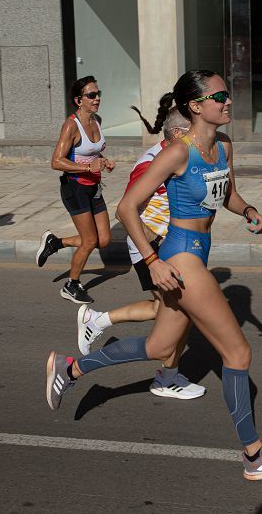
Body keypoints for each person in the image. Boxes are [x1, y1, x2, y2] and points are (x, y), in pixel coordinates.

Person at [45, 70, 262, 481]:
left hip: (199, 252)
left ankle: (71, 368)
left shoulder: (223, 147)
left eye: (227, 94)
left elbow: (228, 194)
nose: (228, 102)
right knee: (237, 354)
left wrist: (249, 211)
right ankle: (255, 456)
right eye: (219, 96)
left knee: (159, 346)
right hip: (181, 257)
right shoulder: (177, 153)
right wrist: (152, 261)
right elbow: (127, 208)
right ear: (196, 106)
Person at [76, 106, 205, 400]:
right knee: (180, 312)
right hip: (151, 249)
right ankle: (166, 377)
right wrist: (155, 248)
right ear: (177, 134)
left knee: (167, 310)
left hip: (168, 244)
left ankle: (97, 320)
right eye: (194, 129)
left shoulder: (179, 155)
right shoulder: (150, 164)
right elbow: (126, 211)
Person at [36, 75, 115, 304]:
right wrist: (88, 166)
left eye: (98, 94)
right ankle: (71, 284)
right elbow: (56, 161)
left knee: (104, 240)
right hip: (75, 188)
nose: (97, 98)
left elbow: (90, 151)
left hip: (94, 187)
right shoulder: (71, 124)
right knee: (89, 241)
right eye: (91, 95)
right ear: (79, 100)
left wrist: (103, 161)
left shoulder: (97, 119)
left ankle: (55, 242)